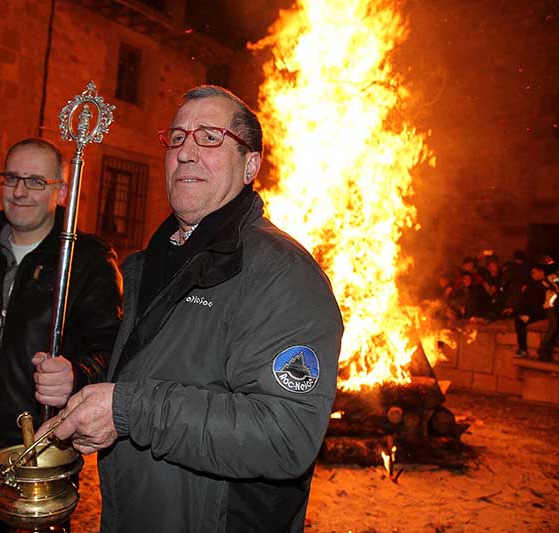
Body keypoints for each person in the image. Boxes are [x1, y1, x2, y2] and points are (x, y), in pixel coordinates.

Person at [39, 86, 344, 533]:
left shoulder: (282, 275)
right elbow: (156, 373)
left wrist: (127, 410)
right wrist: (84, 382)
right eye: (177, 137)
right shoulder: (151, 262)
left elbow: (285, 436)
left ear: (250, 166)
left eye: (209, 137)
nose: (185, 152)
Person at [0, 138, 123, 533]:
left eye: (34, 181)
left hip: (42, 455)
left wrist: (76, 375)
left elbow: (110, 351)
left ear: (61, 191)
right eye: (11, 177)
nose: (19, 191)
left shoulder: (88, 260)